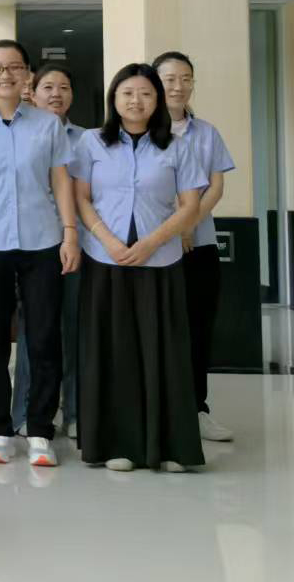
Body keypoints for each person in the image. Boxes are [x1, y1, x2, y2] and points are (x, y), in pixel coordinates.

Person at [70, 63, 207, 472]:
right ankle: (117, 444)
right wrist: (108, 240)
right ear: (113, 99)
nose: (136, 101)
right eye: (127, 93)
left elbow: (191, 206)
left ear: (157, 100)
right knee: (113, 351)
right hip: (105, 259)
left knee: (164, 351)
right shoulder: (91, 142)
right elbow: (80, 198)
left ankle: (171, 447)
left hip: (160, 261)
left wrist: (151, 242)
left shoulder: (177, 146)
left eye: (146, 93)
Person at [0, 40, 78, 468]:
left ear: (27, 75)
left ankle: (39, 429)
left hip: (43, 243)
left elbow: (60, 181)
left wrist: (69, 234)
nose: (4, 75)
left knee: (43, 338)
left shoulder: (48, 125)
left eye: (13, 67)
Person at [154, 50, 237, 445]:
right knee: (158, 330)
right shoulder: (142, 132)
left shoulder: (207, 133)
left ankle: (196, 409)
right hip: (155, 249)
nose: (178, 86)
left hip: (199, 245)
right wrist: (174, 229)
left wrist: (187, 224)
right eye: (170, 79)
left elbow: (215, 187)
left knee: (197, 329)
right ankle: (157, 411)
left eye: (186, 78)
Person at [15, 63, 87, 434]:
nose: (56, 94)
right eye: (48, 87)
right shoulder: (20, 133)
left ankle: (74, 412)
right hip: (33, 246)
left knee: (74, 331)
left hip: (77, 245)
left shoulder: (87, 139)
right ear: (33, 92)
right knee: (34, 333)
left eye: (63, 87)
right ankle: (25, 413)